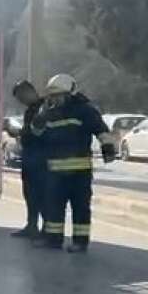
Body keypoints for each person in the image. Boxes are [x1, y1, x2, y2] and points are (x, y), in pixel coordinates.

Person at [30, 73, 116, 253]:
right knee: (53, 208)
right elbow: (36, 135)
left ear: (70, 93)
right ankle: (53, 240)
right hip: (54, 172)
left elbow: (101, 130)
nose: (54, 99)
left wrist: (107, 146)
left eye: (58, 95)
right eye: (52, 96)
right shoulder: (49, 113)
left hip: (79, 173)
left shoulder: (84, 110)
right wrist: (38, 121)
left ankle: (80, 242)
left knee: (80, 208)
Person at [9, 80, 47, 239]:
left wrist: (19, 133)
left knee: (43, 196)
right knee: (30, 195)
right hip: (30, 159)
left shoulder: (44, 108)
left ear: (29, 91)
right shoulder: (30, 110)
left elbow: (37, 133)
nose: (21, 101)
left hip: (42, 160)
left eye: (21, 97)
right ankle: (31, 226)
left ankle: (48, 229)